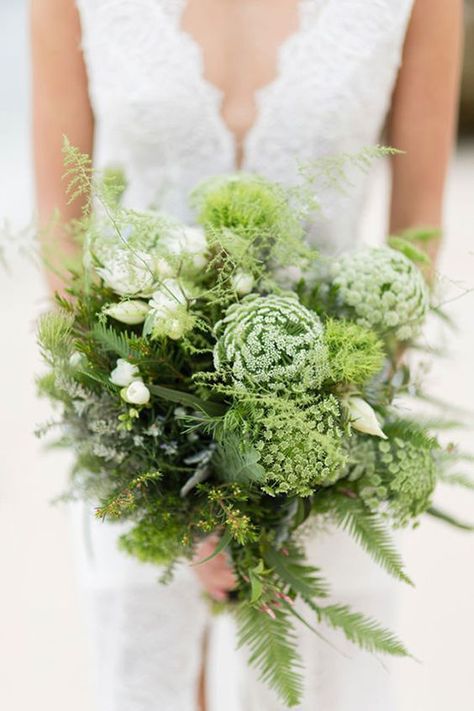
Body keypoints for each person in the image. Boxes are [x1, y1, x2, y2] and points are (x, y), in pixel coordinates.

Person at [31, 1, 463, 709]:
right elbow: (61, 234)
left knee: (317, 683)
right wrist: (163, 465)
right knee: (147, 682)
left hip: (327, 432)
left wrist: (297, 461)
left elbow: (415, 234)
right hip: (136, 423)